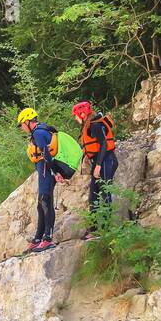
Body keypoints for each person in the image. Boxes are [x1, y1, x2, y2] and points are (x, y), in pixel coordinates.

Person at [16, 108, 74, 253]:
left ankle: (47, 239)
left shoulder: (38, 133)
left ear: (28, 122)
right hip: (45, 170)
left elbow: (47, 155)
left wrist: (55, 173)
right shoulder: (40, 131)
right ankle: (38, 238)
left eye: (22, 124)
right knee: (41, 203)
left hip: (47, 170)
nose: (22, 127)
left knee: (45, 201)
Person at [71, 101, 118, 238]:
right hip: (100, 161)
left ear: (83, 114)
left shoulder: (95, 125)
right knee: (93, 196)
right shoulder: (88, 125)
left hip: (106, 161)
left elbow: (103, 144)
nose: (75, 118)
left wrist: (98, 165)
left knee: (105, 194)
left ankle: (106, 230)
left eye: (76, 116)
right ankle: (94, 229)